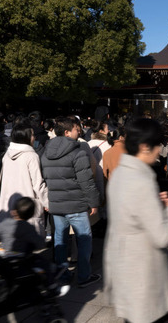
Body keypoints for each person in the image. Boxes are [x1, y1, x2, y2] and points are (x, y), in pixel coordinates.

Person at [104, 118, 168, 323]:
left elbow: (130, 211)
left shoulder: (120, 173)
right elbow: (163, 237)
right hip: (144, 271)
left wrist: (154, 204)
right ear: (145, 147)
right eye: (157, 146)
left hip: (123, 263)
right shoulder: (142, 180)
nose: (159, 152)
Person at [41, 117, 101, 288]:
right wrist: (94, 202)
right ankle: (83, 276)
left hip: (56, 204)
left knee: (60, 241)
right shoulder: (78, 152)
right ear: (67, 132)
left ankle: (62, 275)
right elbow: (86, 181)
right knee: (84, 240)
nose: (79, 131)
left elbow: (45, 179)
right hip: (76, 204)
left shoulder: (46, 152)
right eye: (76, 129)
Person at [0, 122, 49, 237]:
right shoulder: (31, 156)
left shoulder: (7, 155)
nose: (34, 137)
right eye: (31, 135)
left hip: (8, 205)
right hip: (27, 207)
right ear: (25, 137)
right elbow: (38, 184)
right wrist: (47, 202)